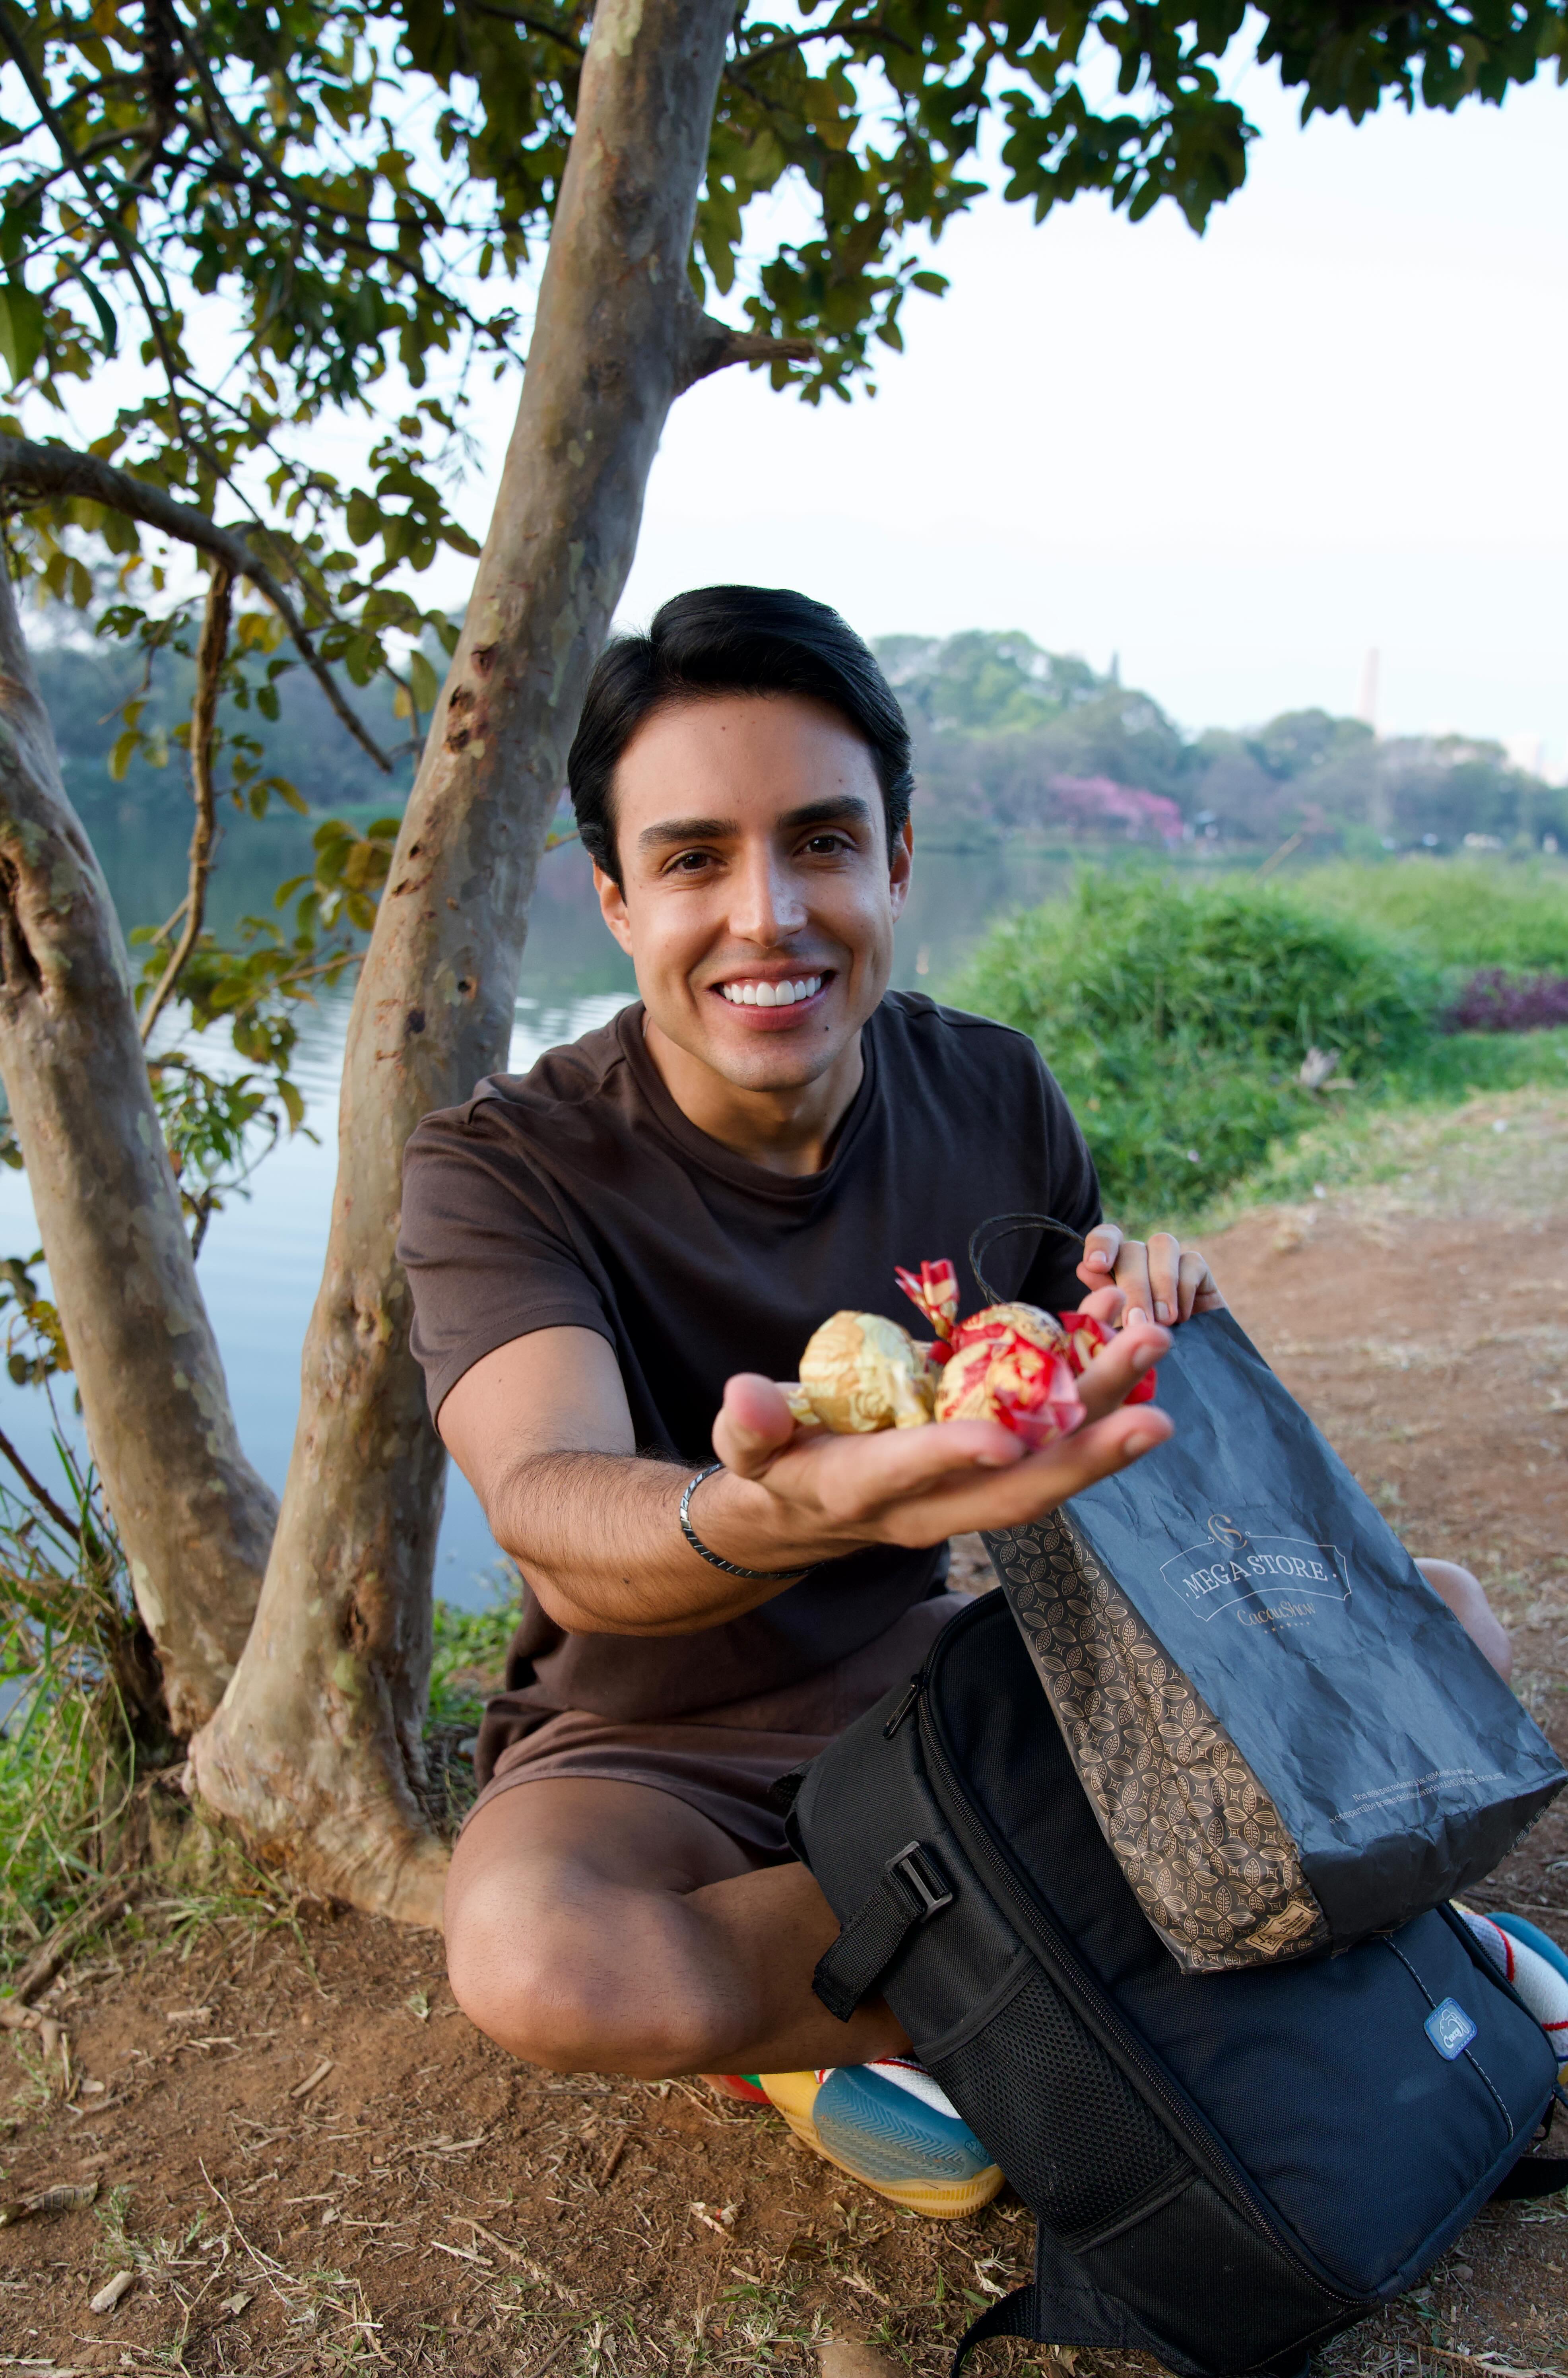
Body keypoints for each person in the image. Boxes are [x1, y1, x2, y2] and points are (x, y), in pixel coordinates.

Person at [399, 586, 1556, 2221]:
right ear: (612, 897)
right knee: (544, 1959)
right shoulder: (499, 1165)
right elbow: (554, 1512)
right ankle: (1277, 1937)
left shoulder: (995, 1090)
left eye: (818, 842)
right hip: (651, 1741)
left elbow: (1080, 1460)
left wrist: (1151, 1345)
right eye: (691, 862)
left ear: (895, 861)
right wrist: (777, 1510)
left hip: (954, 1683)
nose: (765, 916)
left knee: (1440, 1632)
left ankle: (896, 2004)